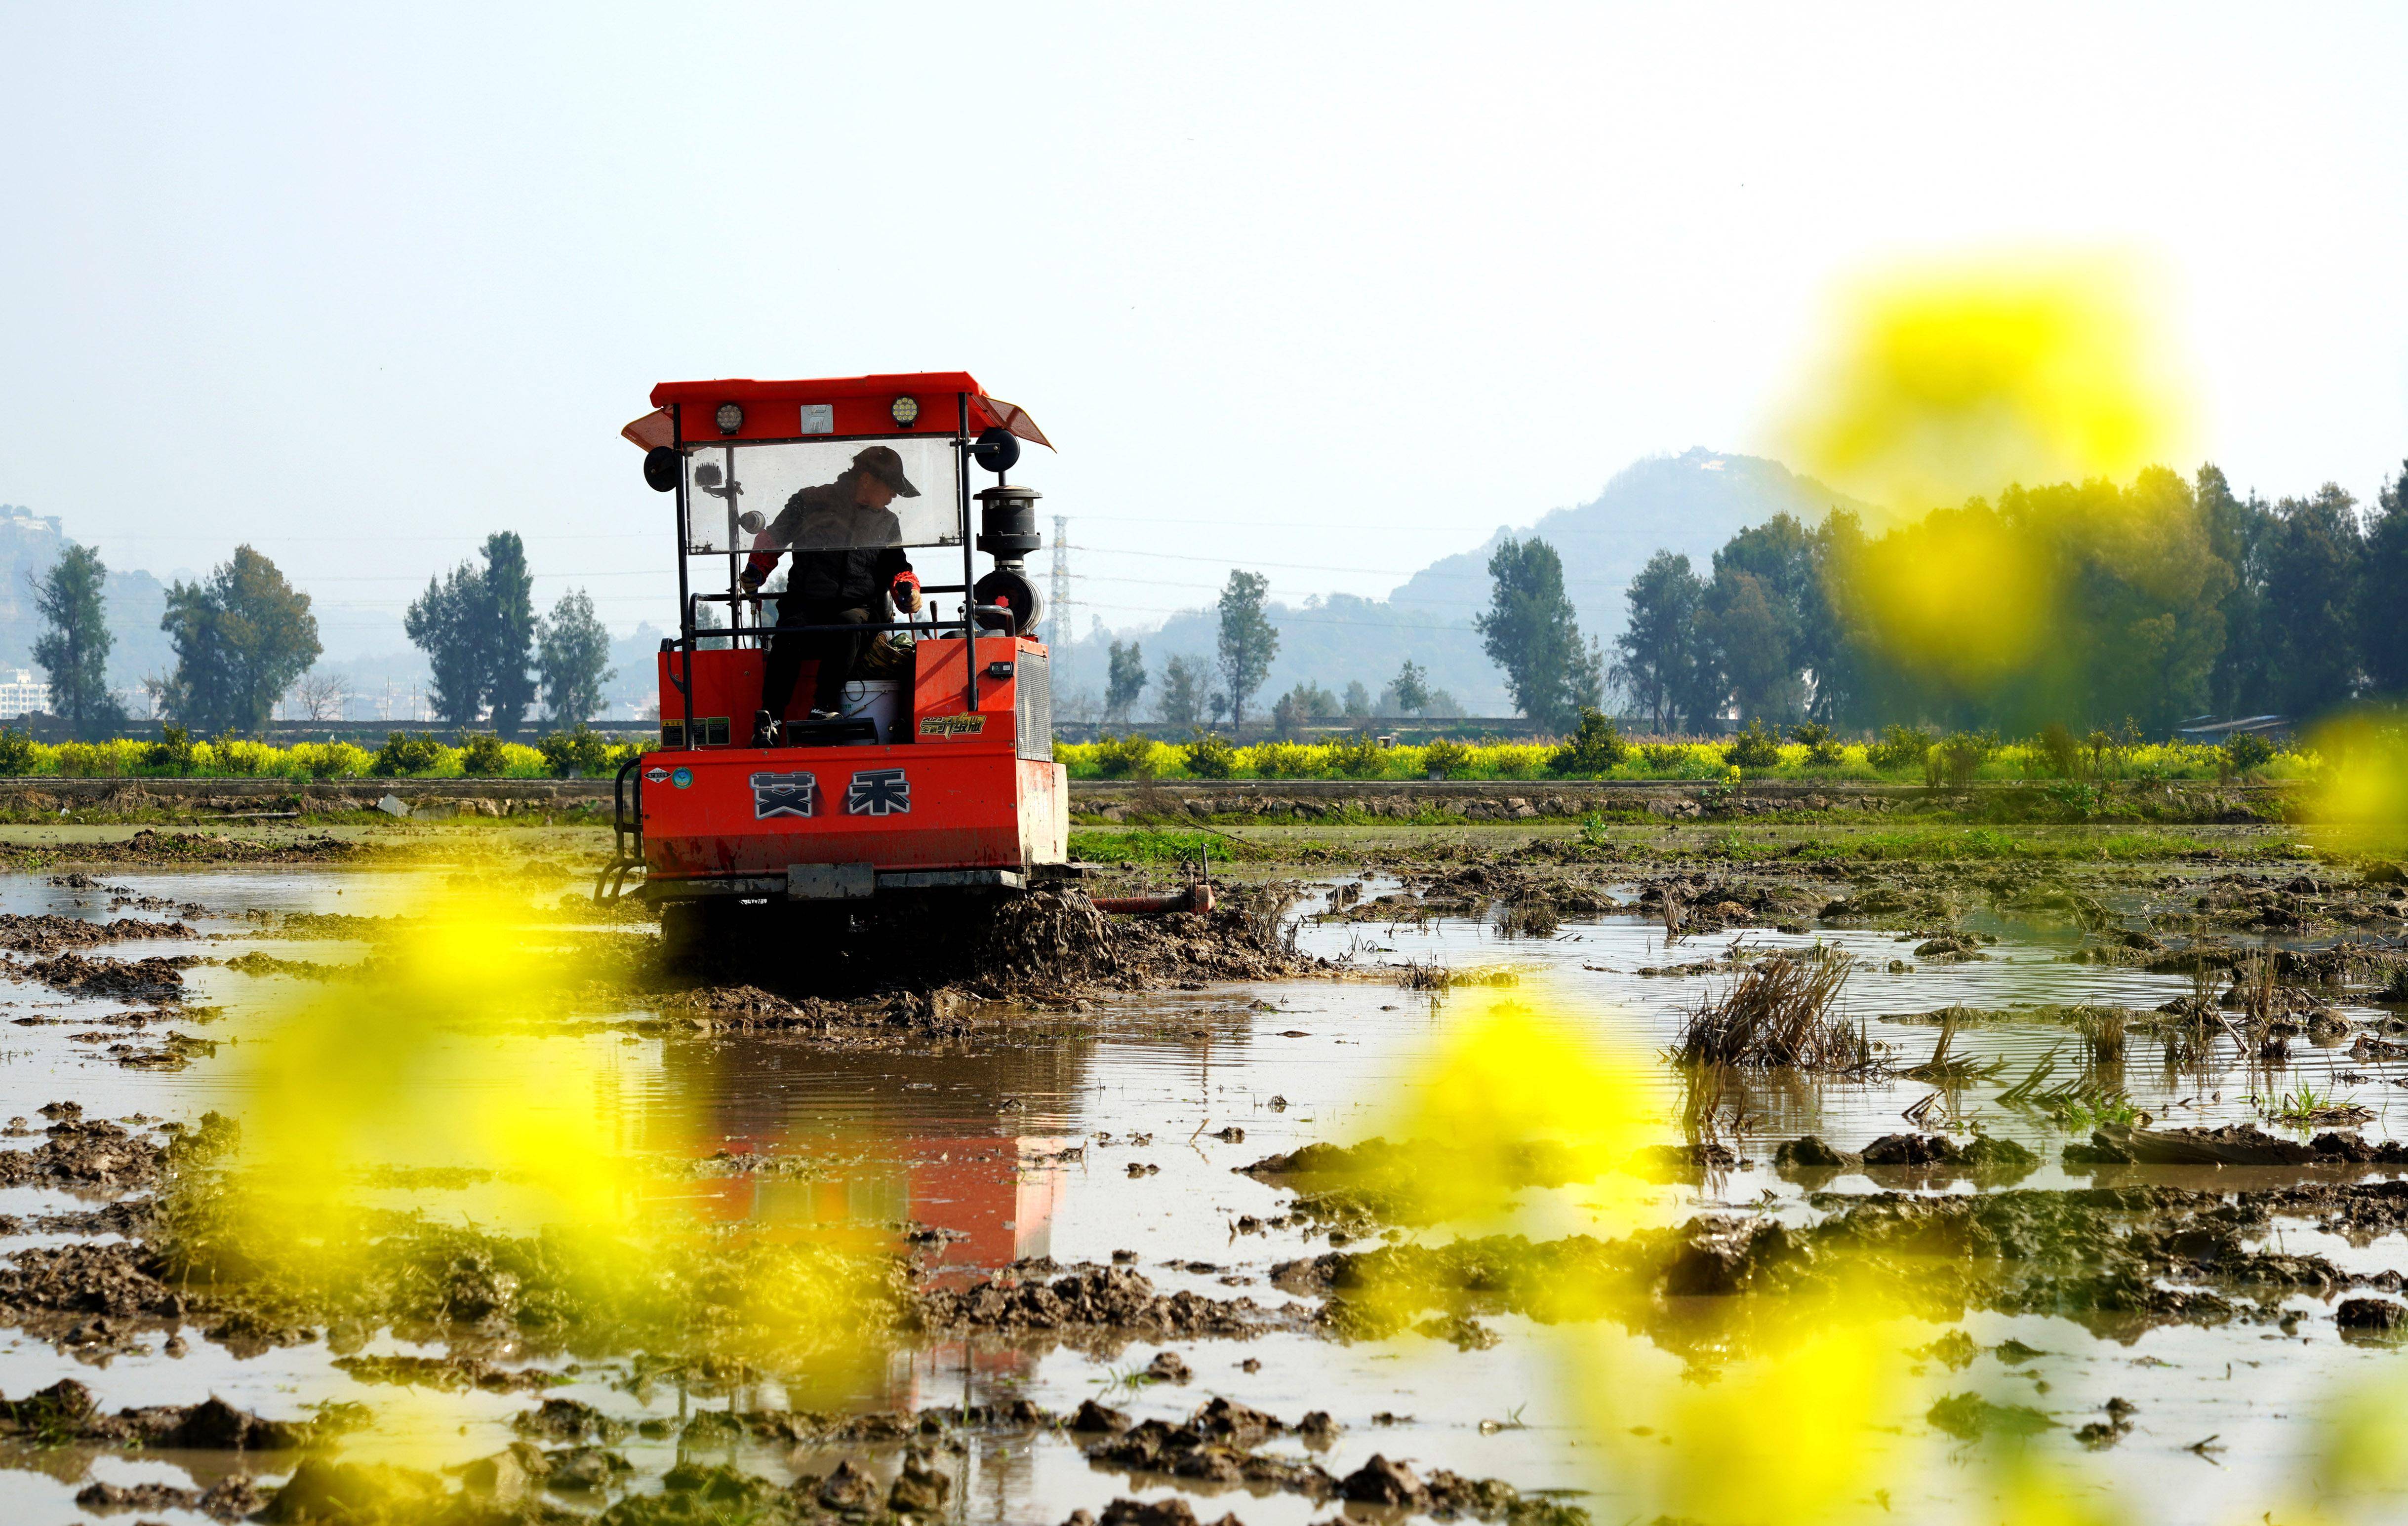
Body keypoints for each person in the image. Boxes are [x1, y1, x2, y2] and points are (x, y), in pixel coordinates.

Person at [741, 444, 925, 744]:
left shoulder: (888, 522)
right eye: (891, 487)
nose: (893, 496)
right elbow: (773, 537)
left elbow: (898, 567)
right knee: (790, 632)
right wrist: (755, 571)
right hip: (805, 603)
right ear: (866, 479)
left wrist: (910, 590)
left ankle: (823, 708)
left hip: (858, 608)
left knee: (850, 624)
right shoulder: (807, 501)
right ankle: (769, 720)